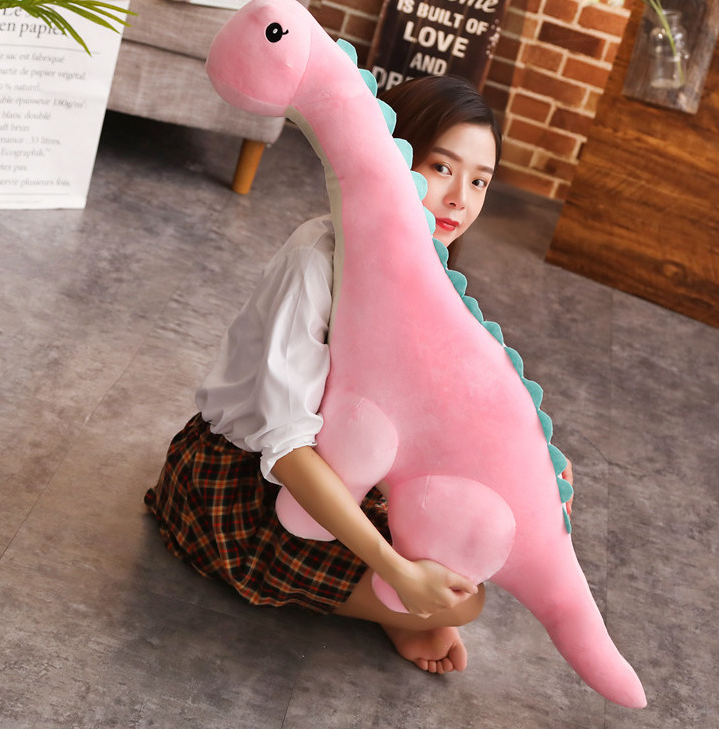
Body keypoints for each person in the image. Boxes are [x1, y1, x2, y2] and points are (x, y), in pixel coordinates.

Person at [145, 75, 569, 675]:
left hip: (342, 463)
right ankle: (389, 608)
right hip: (240, 482)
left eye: (479, 181)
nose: (459, 199)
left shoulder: (428, 272)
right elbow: (286, 448)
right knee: (461, 602)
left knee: (466, 557)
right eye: (441, 168)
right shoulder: (316, 257)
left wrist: (535, 464)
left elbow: (437, 408)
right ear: (390, 156)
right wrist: (398, 572)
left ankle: (394, 603)